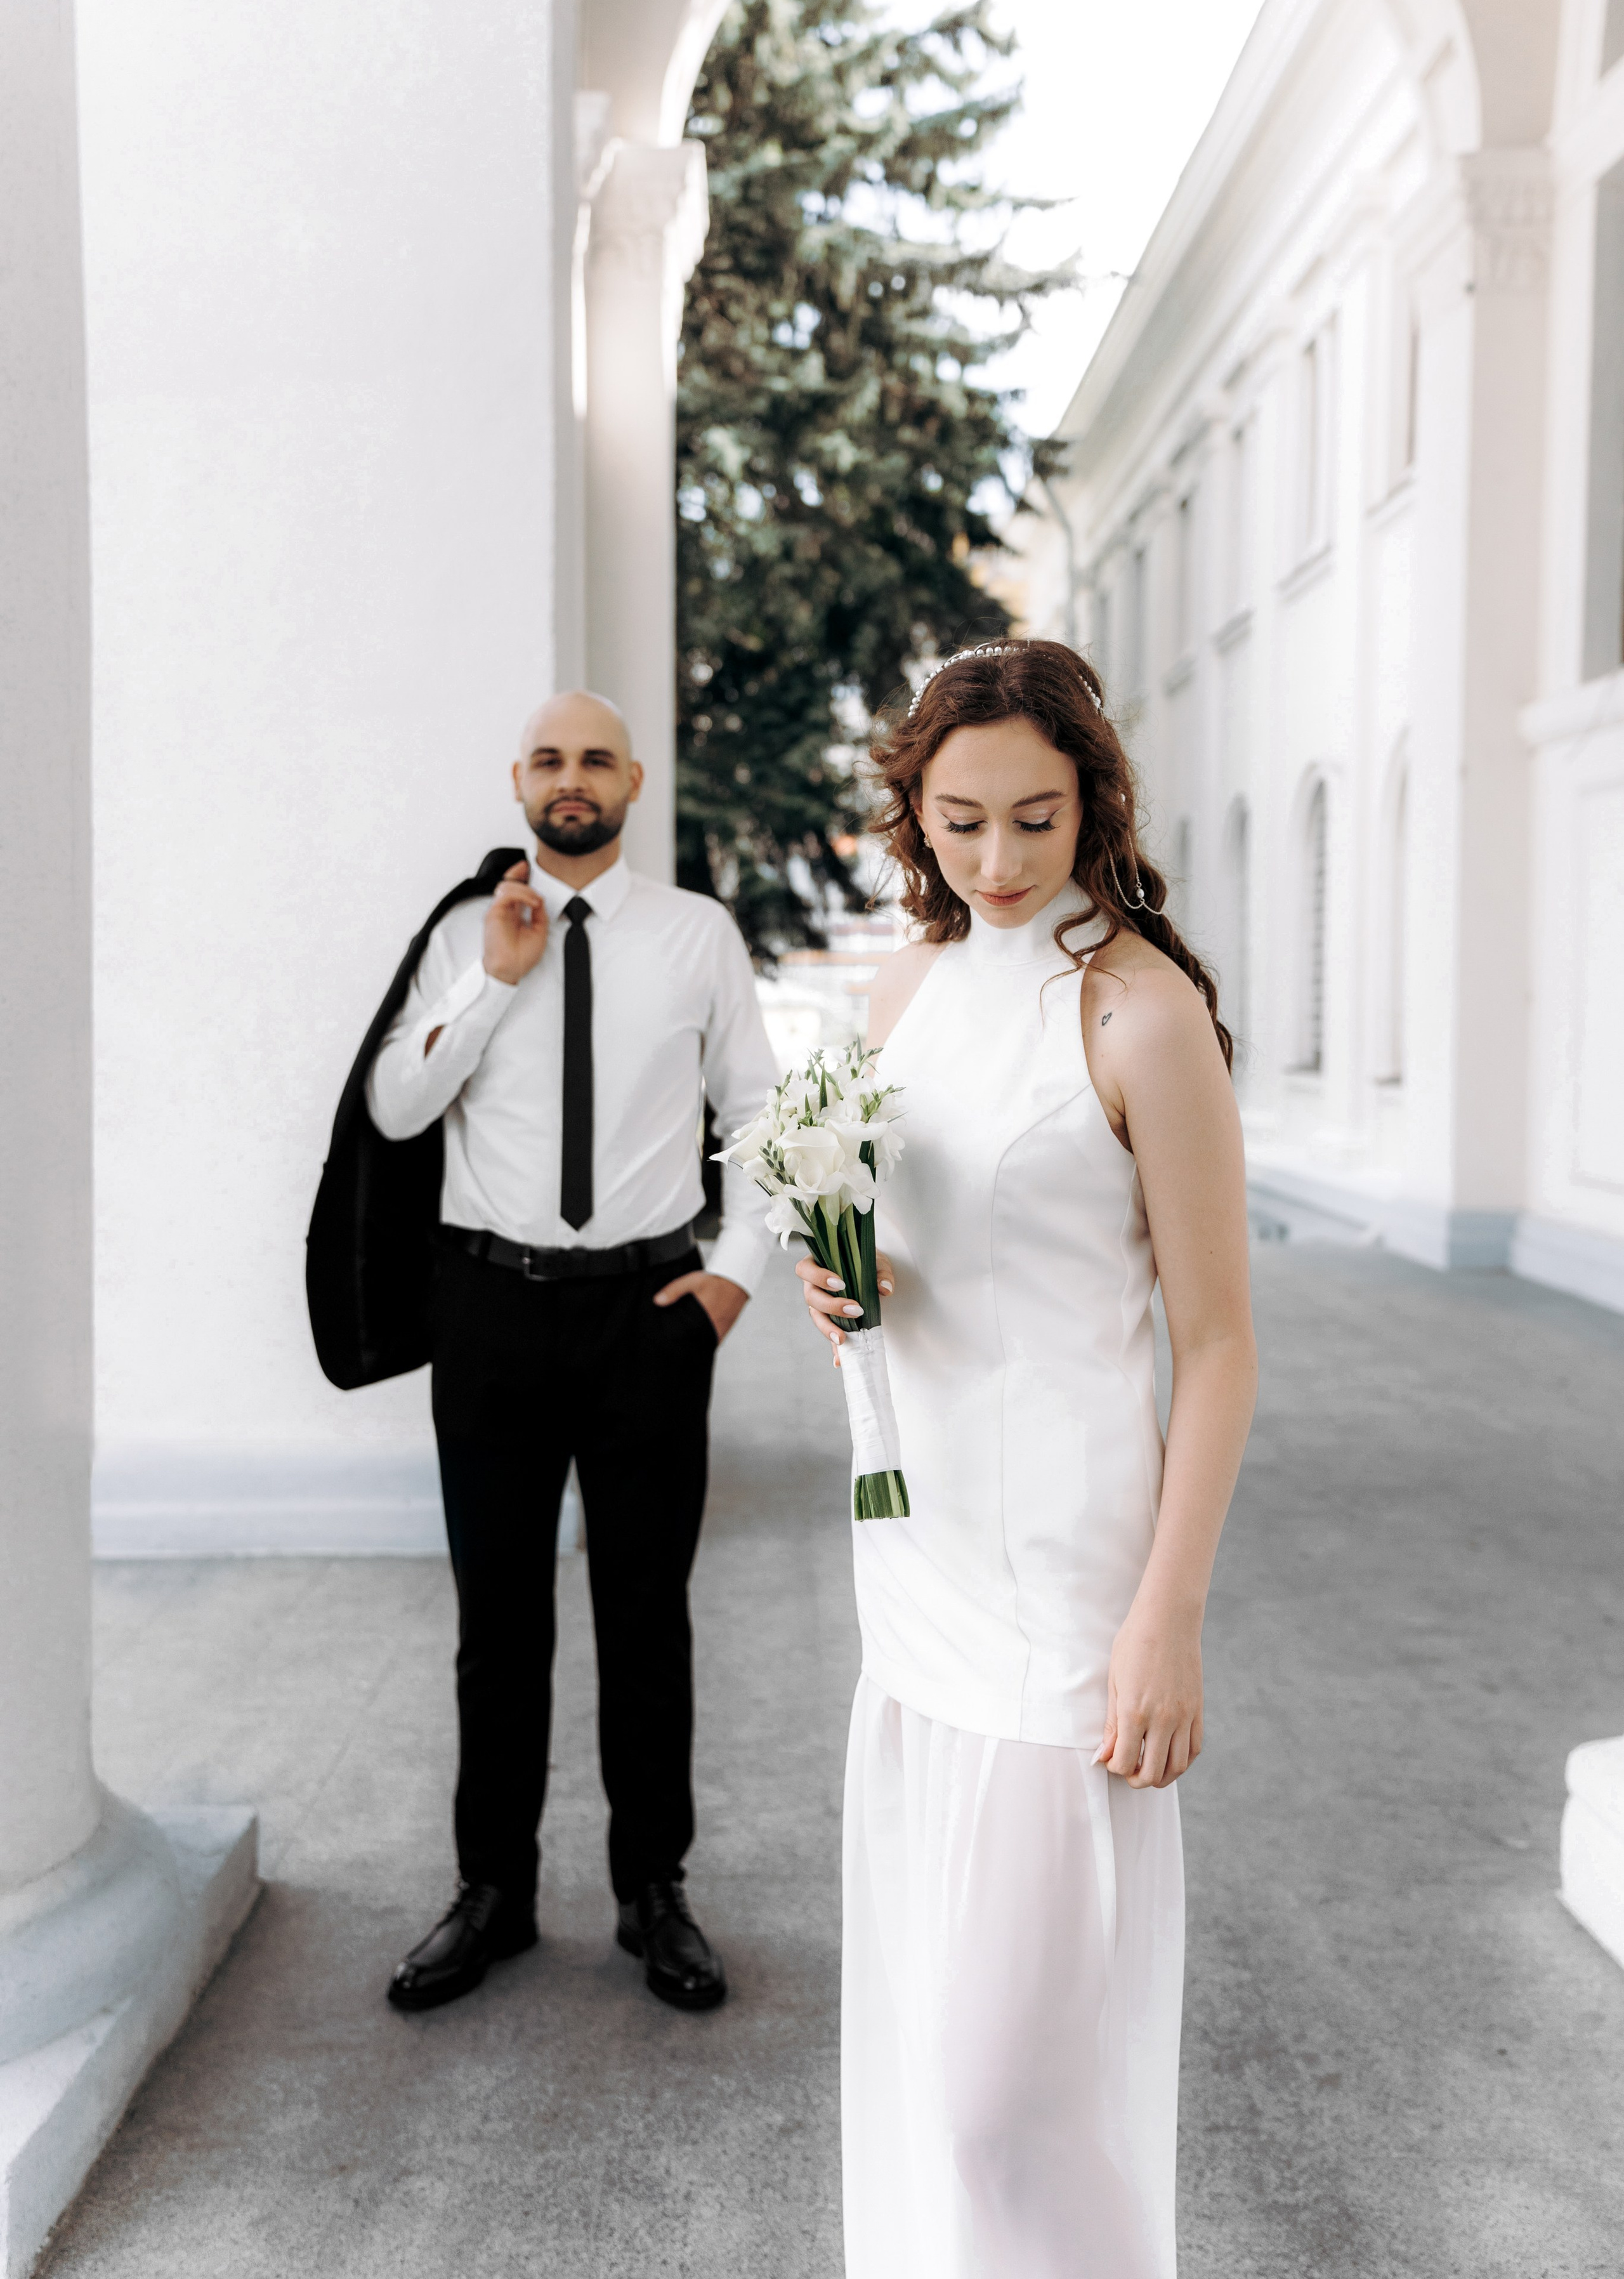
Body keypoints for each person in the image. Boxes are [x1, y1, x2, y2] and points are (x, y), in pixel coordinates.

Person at [796, 640, 1257, 2276]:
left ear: (1093, 805)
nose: (995, 861)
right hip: (919, 1563)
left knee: (1009, 2106)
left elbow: (1217, 1345)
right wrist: (851, 1289)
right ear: (913, 815)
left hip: (1068, 1590)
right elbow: (926, 1261)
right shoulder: (901, 993)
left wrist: (1167, 1617)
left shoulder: (1141, 1013)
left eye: (1035, 821)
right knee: (937, 2073)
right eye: (960, 821)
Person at [371, 690, 778, 2014]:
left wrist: (733, 1278)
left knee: (646, 1619)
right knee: (498, 1625)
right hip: (489, 1313)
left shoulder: (697, 935)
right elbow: (396, 1105)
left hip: (647, 1317)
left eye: (596, 758)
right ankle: (491, 1892)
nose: (572, 777)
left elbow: (758, 1111)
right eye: (549, 759)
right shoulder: (463, 935)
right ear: (519, 781)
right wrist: (494, 978)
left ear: (633, 782)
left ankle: (653, 1891)